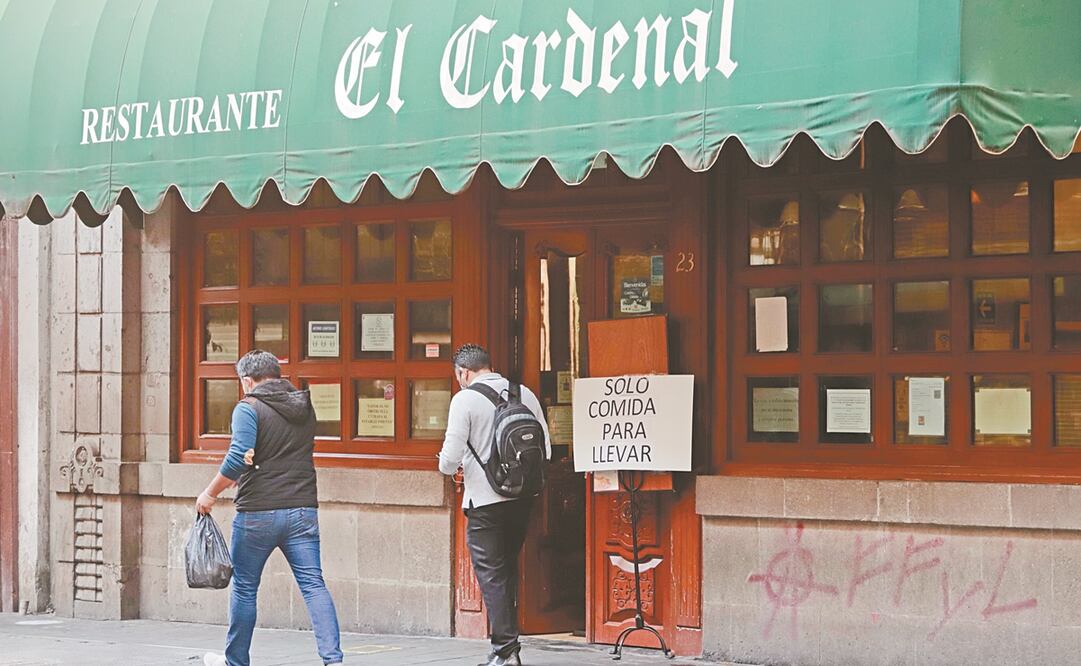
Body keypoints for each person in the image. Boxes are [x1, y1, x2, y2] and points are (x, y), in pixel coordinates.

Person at [197, 350, 343, 666]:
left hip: (258, 513)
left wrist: (209, 494)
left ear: (248, 380)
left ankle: (236, 661)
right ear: (277, 375)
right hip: (302, 509)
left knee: (246, 589)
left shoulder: (248, 408)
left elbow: (239, 456)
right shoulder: (304, 405)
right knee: (313, 585)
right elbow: (282, 450)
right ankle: (333, 661)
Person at [438, 344, 551, 666]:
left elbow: (449, 460)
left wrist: (447, 465)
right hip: (522, 498)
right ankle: (505, 646)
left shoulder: (465, 399)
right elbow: (545, 450)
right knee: (506, 571)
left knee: (492, 575)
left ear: (464, 372)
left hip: (484, 500)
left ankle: (505, 650)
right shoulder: (524, 394)